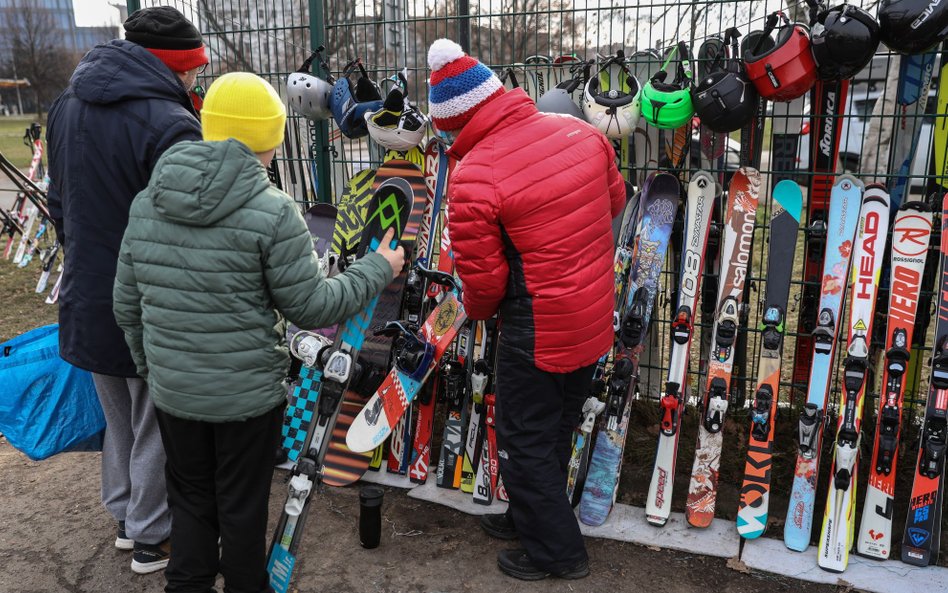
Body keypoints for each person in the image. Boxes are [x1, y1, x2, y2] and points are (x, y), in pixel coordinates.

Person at [112, 72, 405, 593]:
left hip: (176, 393)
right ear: (270, 139)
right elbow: (313, 305)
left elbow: (127, 306)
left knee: (190, 502)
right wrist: (379, 267)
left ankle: (188, 583)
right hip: (246, 399)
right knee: (241, 508)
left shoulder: (146, 202)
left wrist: (156, 368)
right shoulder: (273, 211)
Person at [426, 39, 625, 581]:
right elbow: (615, 202)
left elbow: (485, 285)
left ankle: (557, 553)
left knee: (522, 437)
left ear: (455, 122)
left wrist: (476, 308)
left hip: (536, 328)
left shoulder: (475, 175)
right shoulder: (582, 134)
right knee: (556, 427)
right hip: (591, 315)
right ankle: (529, 516)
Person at [46, 6, 209, 575]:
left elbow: (57, 200)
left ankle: (125, 518)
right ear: (175, 66)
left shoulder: (67, 104)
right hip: (147, 299)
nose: (195, 80)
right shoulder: (170, 122)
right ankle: (152, 535)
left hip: (86, 290)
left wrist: (84, 262)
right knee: (158, 421)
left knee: (119, 415)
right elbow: (186, 220)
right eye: (193, 70)